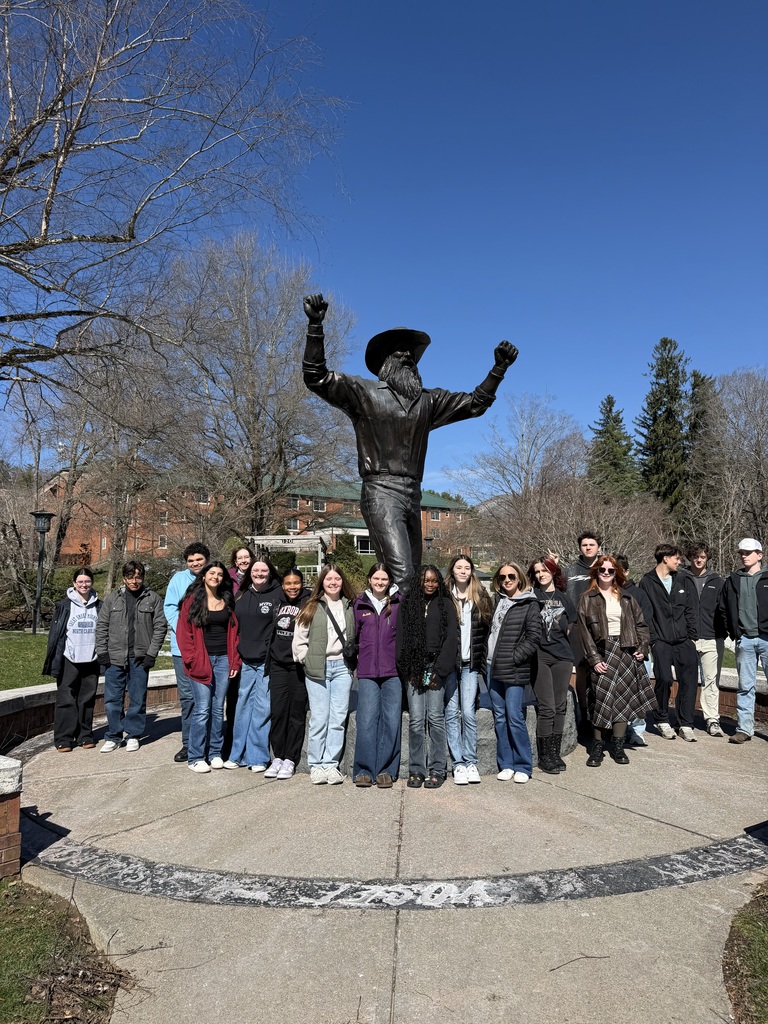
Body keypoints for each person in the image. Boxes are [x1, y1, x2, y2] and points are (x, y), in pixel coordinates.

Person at [302, 293, 518, 590]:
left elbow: (475, 404)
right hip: (380, 491)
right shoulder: (363, 393)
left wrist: (498, 370)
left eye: (410, 354)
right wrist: (315, 325)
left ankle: (410, 635)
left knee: (414, 579)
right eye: (398, 352)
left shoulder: (427, 401)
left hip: (413, 493)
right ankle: (400, 636)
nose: (406, 357)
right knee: (402, 576)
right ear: (384, 363)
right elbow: (317, 377)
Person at [578, 556, 656, 766]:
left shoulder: (627, 598)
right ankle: (597, 748)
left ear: (616, 574)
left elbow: (641, 626)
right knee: (601, 701)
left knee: (622, 701)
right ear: (596, 572)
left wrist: (642, 648)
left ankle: (618, 747)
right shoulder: (587, 598)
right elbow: (584, 633)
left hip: (626, 652)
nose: (606, 573)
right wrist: (594, 659)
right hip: (602, 652)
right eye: (602, 569)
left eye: (610, 570)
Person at [293, 564, 357, 784]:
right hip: (318, 667)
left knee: (338, 719)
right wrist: (305, 658)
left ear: (342, 582)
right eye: (329, 579)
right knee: (320, 718)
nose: (333, 583)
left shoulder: (350, 606)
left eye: (337, 579)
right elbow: (299, 638)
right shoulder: (311, 606)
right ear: (322, 582)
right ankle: (316, 764)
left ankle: (331, 764)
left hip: (342, 668)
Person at [176, 561, 241, 773]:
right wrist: (192, 659)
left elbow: (235, 634)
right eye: (212, 573)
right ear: (204, 575)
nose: (216, 577)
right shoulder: (192, 601)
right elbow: (183, 633)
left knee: (217, 708)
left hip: (223, 660)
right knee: (202, 709)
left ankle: (214, 753)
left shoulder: (227, 600)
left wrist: (234, 661)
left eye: (220, 574)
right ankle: (196, 756)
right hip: (201, 661)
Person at [96, 561, 167, 753]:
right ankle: (114, 735)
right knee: (112, 699)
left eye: (138, 576)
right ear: (123, 578)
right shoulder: (113, 599)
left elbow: (160, 627)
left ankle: (133, 734)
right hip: (114, 657)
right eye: (130, 577)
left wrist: (151, 653)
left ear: (143, 577)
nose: (134, 581)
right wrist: (102, 651)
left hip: (139, 658)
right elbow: (101, 626)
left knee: (137, 698)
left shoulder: (152, 599)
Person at [397, 565, 458, 789]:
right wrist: (409, 670)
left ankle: (437, 769)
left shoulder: (446, 605)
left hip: (436, 666)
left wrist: (439, 671)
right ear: (419, 582)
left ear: (439, 582)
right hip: (414, 667)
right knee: (415, 720)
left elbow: (451, 638)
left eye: (433, 581)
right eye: (425, 580)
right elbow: (401, 639)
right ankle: (416, 769)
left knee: (435, 718)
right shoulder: (408, 604)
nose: (429, 584)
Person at [227, 558, 283, 772]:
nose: (259, 573)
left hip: (266, 661)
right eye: (256, 570)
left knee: (262, 708)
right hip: (246, 661)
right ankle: (237, 754)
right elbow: (235, 629)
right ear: (249, 572)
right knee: (242, 707)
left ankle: (257, 757)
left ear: (270, 572)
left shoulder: (278, 594)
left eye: (264, 570)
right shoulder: (241, 595)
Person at [486, 562, 540, 784]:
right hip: (491, 667)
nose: (506, 580)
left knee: (514, 716)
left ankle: (523, 765)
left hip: (514, 668)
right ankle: (506, 763)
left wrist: (514, 657)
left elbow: (534, 637)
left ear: (519, 578)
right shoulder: (497, 601)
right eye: (502, 577)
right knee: (499, 717)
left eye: (511, 576)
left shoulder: (529, 603)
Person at [639, 544, 699, 741]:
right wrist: (654, 640)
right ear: (665, 558)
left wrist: (691, 636)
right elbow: (646, 614)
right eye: (677, 558)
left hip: (684, 641)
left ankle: (686, 723)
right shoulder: (647, 582)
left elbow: (691, 609)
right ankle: (662, 719)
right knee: (664, 679)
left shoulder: (683, 579)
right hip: (661, 641)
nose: (679, 562)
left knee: (689, 681)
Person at [352, 563, 403, 788]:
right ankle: (364, 769)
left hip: (393, 671)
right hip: (367, 671)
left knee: (392, 720)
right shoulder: (359, 603)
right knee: (366, 720)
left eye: (384, 579)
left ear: (389, 581)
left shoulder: (400, 602)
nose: (380, 583)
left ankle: (386, 770)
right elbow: (352, 637)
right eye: (376, 578)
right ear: (369, 579)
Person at [443, 555, 492, 785]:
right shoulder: (444, 596)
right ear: (452, 571)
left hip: (470, 664)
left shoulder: (480, 596)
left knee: (469, 712)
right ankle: (458, 764)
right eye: (458, 567)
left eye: (467, 568)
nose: (463, 571)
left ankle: (471, 761)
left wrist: (483, 663)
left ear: (471, 571)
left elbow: (487, 630)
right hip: (450, 665)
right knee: (451, 713)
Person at [43, 567, 101, 752]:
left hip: (91, 658)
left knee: (87, 699)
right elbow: (56, 634)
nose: (84, 585)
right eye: (80, 582)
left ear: (91, 582)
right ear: (74, 584)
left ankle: (85, 736)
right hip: (69, 657)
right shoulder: (64, 605)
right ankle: (64, 738)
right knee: (66, 698)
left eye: (87, 581)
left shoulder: (99, 605)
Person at [263, 568, 311, 781]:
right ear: (282, 585)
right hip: (278, 665)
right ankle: (278, 757)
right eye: (288, 583)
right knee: (278, 711)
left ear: (302, 583)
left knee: (296, 713)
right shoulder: (275, 601)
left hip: (298, 666)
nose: (293, 587)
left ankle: (291, 758)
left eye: (296, 583)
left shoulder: (309, 601)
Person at [164, 542, 210, 763]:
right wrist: (183, 631)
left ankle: (211, 743)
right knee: (188, 698)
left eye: (199, 560)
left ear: (206, 559)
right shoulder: (178, 580)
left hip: (210, 649)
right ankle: (189, 744)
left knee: (211, 698)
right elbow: (169, 607)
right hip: (182, 649)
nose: (195, 564)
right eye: (191, 561)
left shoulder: (214, 577)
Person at [529, 556, 576, 774]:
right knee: (547, 706)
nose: (541, 574)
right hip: (540, 657)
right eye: (537, 571)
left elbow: (570, 628)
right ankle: (544, 756)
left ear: (553, 572)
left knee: (560, 706)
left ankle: (555, 752)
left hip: (562, 657)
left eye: (545, 570)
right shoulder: (531, 597)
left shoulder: (564, 598)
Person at [721, 538, 768, 744]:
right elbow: (723, 608)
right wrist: (734, 632)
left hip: (767, 639)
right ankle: (744, 729)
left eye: (749, 552)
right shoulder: (733, 580)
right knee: (745, 686)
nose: (744, 555)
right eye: (741, 552)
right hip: (745, 640)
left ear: (759, 555)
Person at [682, 542, 727, 737]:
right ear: (690, 558)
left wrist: (723, 632)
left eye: (702, 557)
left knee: (711, 680)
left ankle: (712, 719)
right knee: (686, 680)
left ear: (707, 558)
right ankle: (685, 720)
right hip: (688, 639)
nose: (698, 560)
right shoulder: (682, 578)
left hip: (711, 638)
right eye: (695, 556)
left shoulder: (718, 581)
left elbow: (725, 608)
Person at [613, 554, 654, 747]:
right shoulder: (605, 594)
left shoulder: (638, 594)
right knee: (615, 693)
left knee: (638, 693)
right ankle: (617, 731)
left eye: (620, 571)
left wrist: (642, 648)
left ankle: (637, 731)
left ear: (627, 572)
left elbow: (646, 623)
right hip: (614, 652)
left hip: (637, 651)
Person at [565, 531, 603, 728]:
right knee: (581, 670)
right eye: (584, 545)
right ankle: (585, 714)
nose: (588, 547)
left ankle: (602, 715)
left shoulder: (606, 567)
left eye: (591, 544)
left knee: (601, 670)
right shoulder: (570, 571)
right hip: (578, 627)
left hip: (602, 627)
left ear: (598, 546)